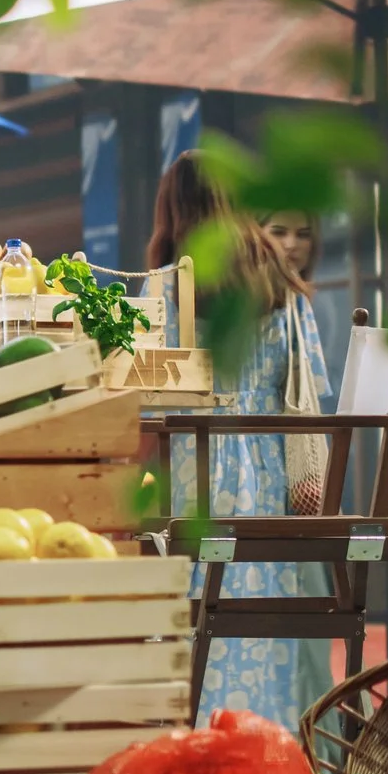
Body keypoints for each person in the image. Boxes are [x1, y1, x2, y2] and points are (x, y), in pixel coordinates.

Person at [146, 151, 333, 727]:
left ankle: (201, 746)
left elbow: (149, 393)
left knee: (195, 617)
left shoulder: (165, 287)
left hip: (190, 471)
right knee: (264, 617)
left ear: (173, 208)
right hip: (268, 469)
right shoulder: (280, 283)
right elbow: (304, 390)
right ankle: (268, 748)